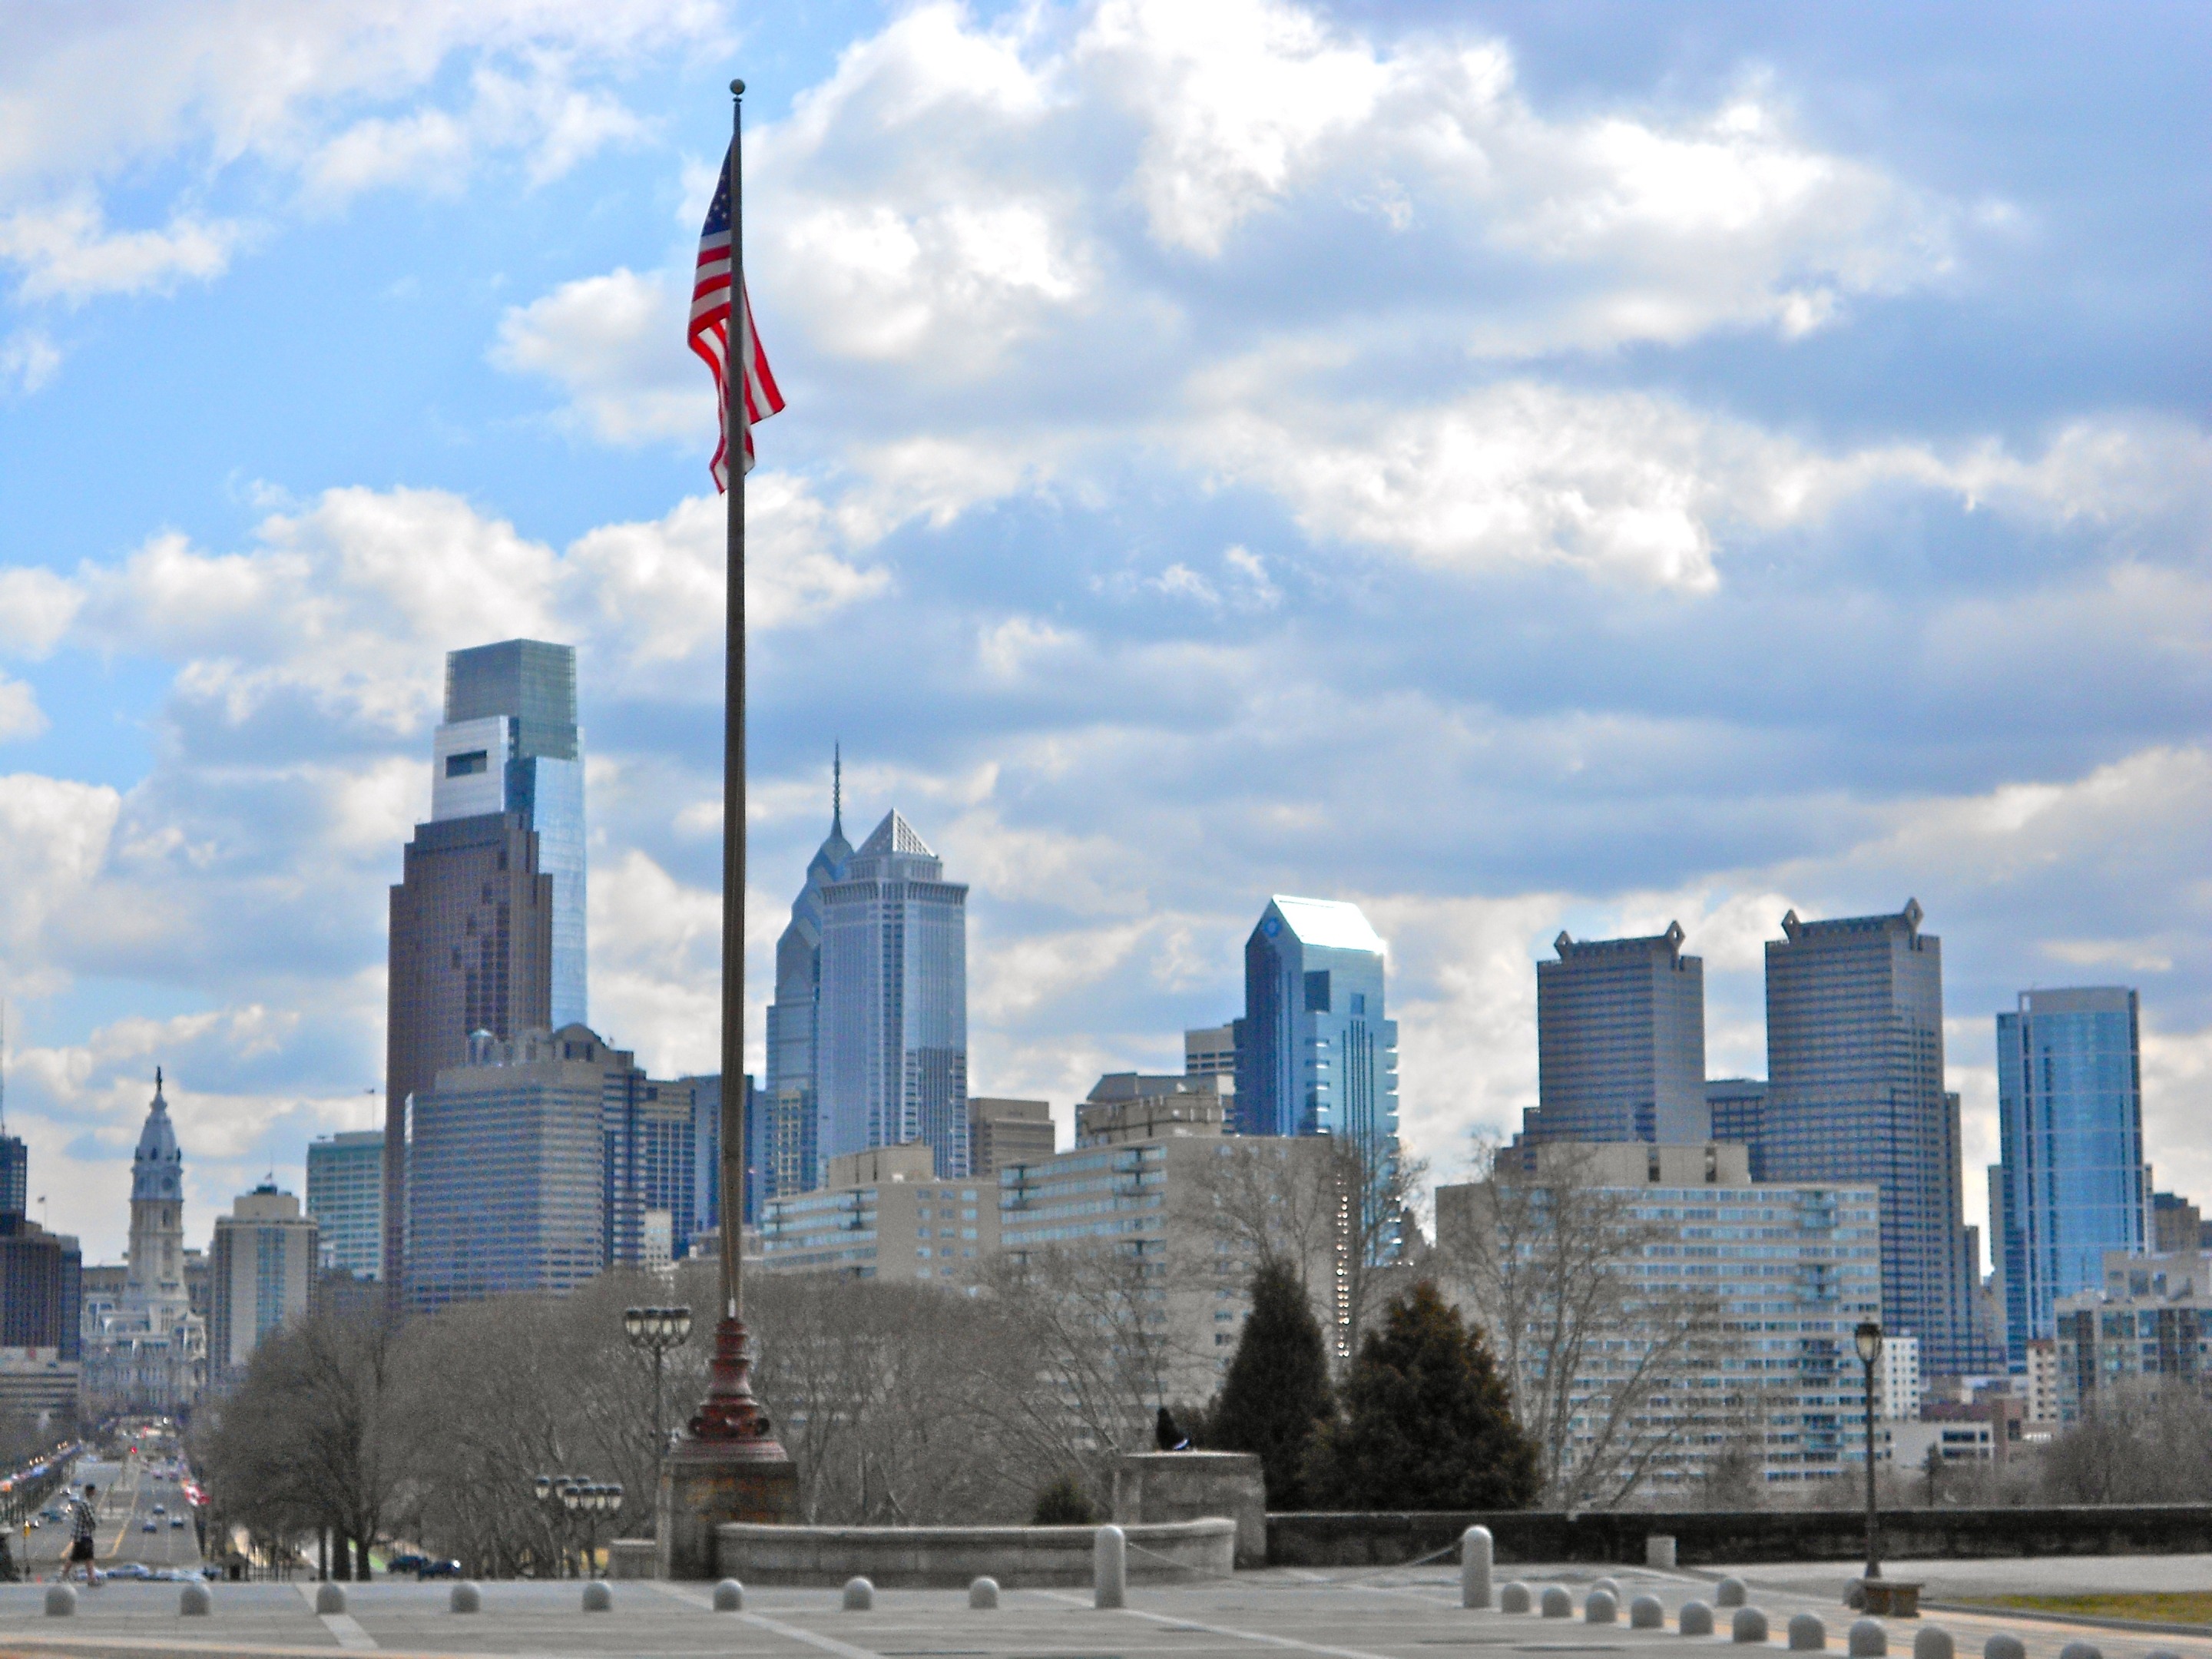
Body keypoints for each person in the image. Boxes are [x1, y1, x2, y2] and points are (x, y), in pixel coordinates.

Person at [58, 1485, 100, 1585]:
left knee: (85, 1557)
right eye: (94, 1491)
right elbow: (90, 1519)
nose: (95, 1493)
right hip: (83, 1535)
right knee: (80, 1557)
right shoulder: (85, 1504)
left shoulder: (84, 1503)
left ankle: (91, 1579)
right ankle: (63, 1577)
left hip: (82, 1535)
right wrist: (97, 1524)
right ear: (90, 1492)